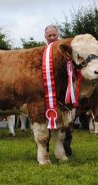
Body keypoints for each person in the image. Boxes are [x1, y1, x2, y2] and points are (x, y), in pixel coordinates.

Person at [44, 25, 72, 156]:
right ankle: (46, 148)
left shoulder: (66, 51)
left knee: (67, 120)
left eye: (54, 35)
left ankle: (66, 147)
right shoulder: (43, 52)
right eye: (49, 36)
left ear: (58, 35)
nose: (52, 38)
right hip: (48, 93)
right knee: (49, 120)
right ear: (45, 37)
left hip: (64, 92)